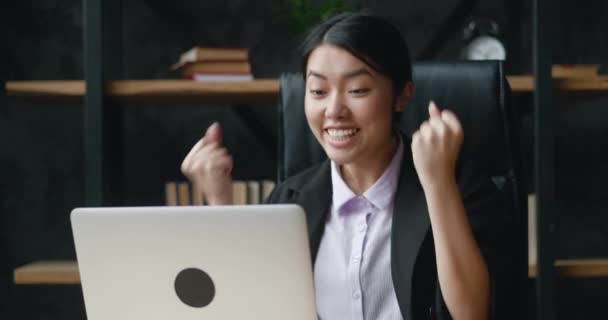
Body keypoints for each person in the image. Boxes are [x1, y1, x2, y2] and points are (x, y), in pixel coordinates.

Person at [181, 12, 502, 320]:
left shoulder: (457, 187)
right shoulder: (289, 201)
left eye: (357, 90)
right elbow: (251, 308)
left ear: (402, 96)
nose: (334, 110)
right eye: (318, 91)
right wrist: (219, 205)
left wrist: (437, 184)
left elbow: (472, 314)